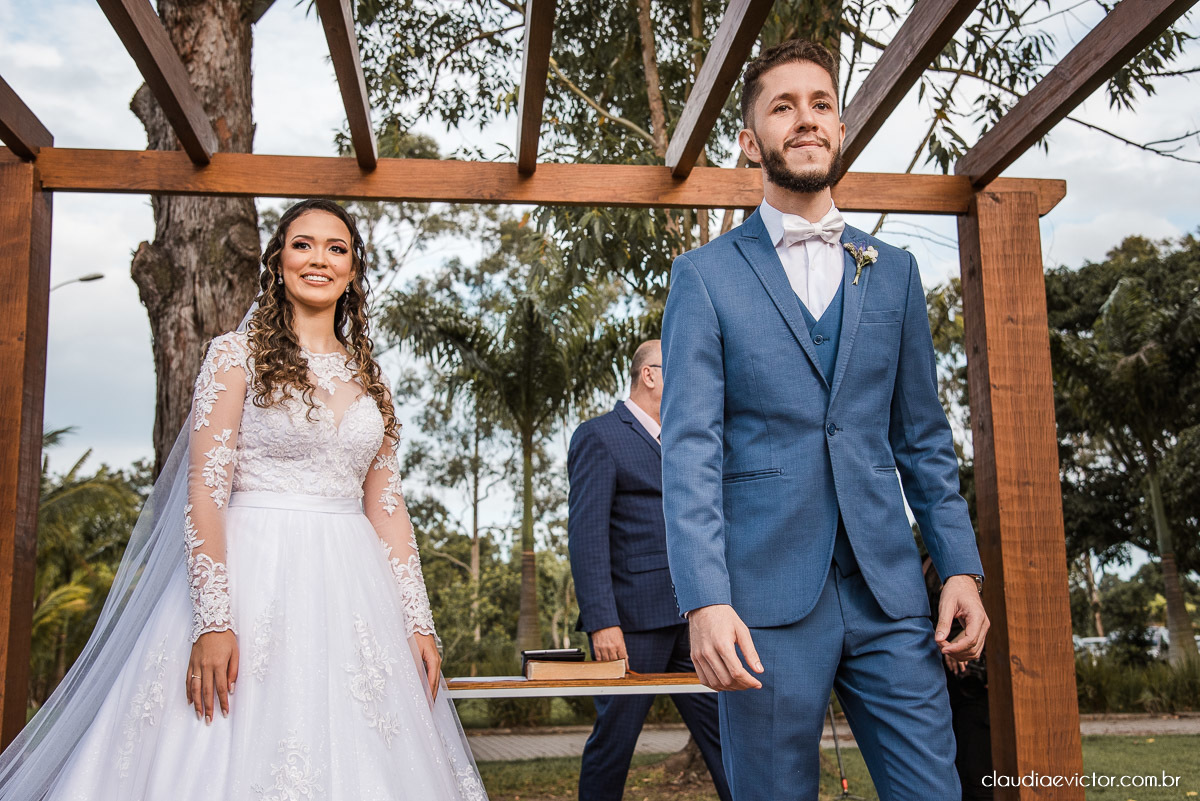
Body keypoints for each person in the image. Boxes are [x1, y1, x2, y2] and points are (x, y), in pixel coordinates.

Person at [0, 199, 486, 800]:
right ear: (278, 259)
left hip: (353, 589)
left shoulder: (367, 374)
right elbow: (204, 491)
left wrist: (418, 622)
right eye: (302, 243)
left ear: (354, 271)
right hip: (252, 578)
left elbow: (387, 507)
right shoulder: (234, 358)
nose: (319, 259)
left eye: (337, 249)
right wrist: (212, 623)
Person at [660, 39, 990, 801]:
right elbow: (690, 449)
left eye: (821, 104)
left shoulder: (895, 271)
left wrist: (961, 566)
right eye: (783, 106)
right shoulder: (705, 278)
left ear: (839, 130)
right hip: (763, 605)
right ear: (751, 141)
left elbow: (923, 438)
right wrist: (705, 597)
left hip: (889, 595)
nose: (805, 119)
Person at [567, 340, 730, 801]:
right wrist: (602, 622)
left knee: (725, 736)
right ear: (650, 376)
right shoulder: (599, 436)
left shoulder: (687, 441)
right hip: (633, 626)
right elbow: (587, 535)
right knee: (614, 743)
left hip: (694, 618)